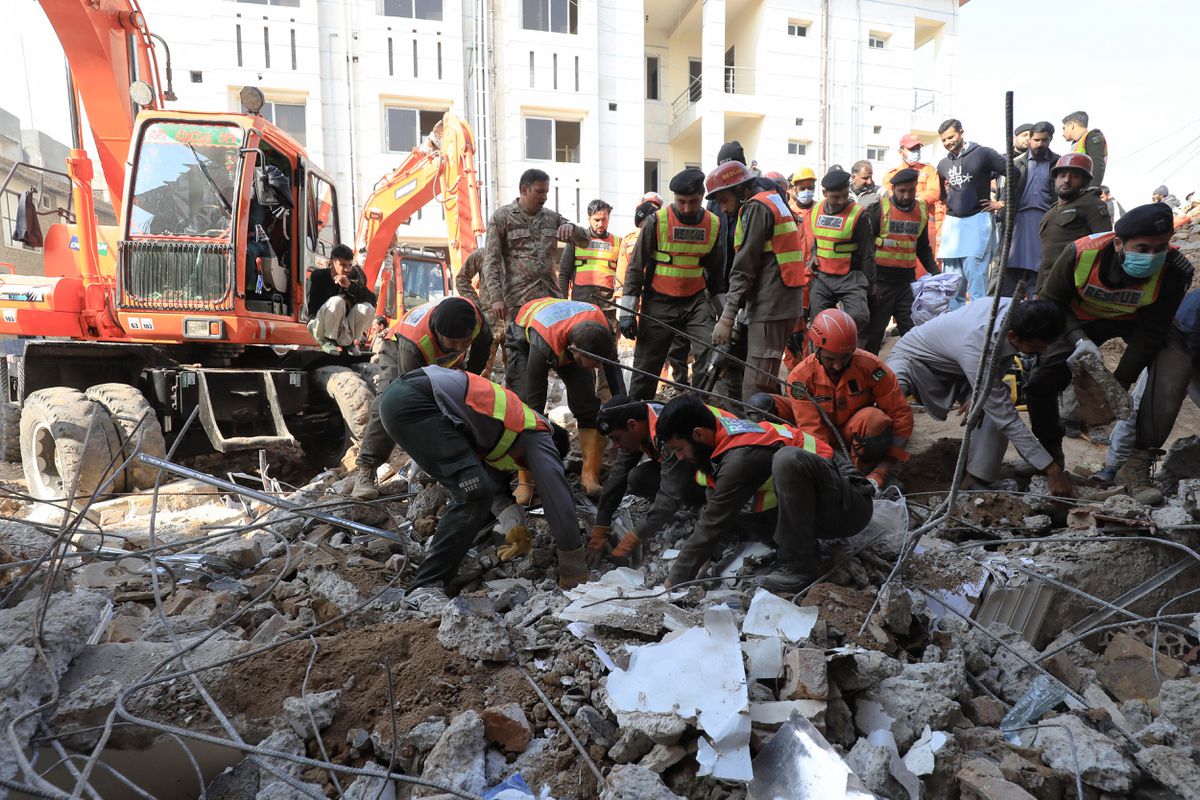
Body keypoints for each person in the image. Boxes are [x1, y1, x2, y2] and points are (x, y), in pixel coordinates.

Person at [378, 366, 586, 610]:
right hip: (417, 402)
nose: (525, 473)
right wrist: (573, 563)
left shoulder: (497, 431)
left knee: (476, 487)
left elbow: (490, 483)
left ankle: (446, 568)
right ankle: (424, 587)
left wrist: (513, 523)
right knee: (472, 494)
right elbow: (556, 494)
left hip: (406, 399)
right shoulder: (538, 434)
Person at [1029, 203, 1195, 504]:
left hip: (1136, 323)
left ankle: (1136, 462)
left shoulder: (1174, 269)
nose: (1151, 256)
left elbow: (1152, 331)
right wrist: (1078, 339)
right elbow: (1051, 302)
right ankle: (1049, 459)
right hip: (1077, 322)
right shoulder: (1080, 253)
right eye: (1142, 248)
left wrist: (1117, 384)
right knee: (1041, 382)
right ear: (1119, 243)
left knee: (1175, 366)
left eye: (1160, 247)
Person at [654, 394, 875, 591]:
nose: (680, 457)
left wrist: (671, 583)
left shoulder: (740, 457)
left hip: (851, 506)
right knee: (722, 494)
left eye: (679, 449)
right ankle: (791, 550)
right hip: (826, 502)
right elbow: (716, 505)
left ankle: (801, 567)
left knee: (787, 459)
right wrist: (706, 557)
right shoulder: (717, 432)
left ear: (699, 434)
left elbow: (713, 521)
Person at [887, 298, 1074, 495]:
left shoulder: (1021, 313)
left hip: (960, 367)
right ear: (1013, 336)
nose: (1043, 352)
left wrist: (978, 395)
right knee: (889, 397)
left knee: (989, 407)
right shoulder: (979, 341)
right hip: (915, 360)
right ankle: (879, 471)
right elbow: (1008, 419)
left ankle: (978, 480)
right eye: (1037, 347)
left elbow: (998, 366)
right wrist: (1052, 470)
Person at [349, 296, 493, 500]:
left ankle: (464, 460)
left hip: (443, 360)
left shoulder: (474, 320)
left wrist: (469, 381)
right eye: (453, 342)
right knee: (389, 402)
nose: (461, 347)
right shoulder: (414, 343)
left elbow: (482, 346)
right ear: (438, 333)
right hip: (398, 351)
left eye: (465, 342)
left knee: (462, 398)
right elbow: (412, 399)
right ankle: (366, 471)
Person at [618, 168, 726, 399]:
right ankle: (636, 416)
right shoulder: (657, 221)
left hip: (696, 302)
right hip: (659, 301)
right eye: (681, 202)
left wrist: (725, 318)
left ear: (702, 196)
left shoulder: (714, 224)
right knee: (646, 365)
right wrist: (627, 312)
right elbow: (636, 267)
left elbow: (716, 276)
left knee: (710, 353)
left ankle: (696, 409)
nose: (687, 208)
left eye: (693, 202)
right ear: (674, 198)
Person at [705, 161, 807, 398]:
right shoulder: (772, 200)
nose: (723, 208)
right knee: (740, 371)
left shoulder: (757, 208)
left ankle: (760, 431)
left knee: (757, 387)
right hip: (770, 302)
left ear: (740, 190)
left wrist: (728, 316)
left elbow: (745, 267)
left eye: (724, 200)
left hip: (771, 306)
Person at [482, 168, 589, 386]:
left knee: (557, 356)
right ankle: (523, 409)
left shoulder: (551, 217)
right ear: (524, 190)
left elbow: (585, 240)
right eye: (539, 191)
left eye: (546, 192)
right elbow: (490, 261)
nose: (544, 197)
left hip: (550, 303)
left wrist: (572, 227)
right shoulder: (502, 218)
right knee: (522, 361)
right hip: (519, 304)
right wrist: (496, 297)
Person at [783, 309, 913, 489]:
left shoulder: (870, 366)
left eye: (845, 358)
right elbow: (812, 430)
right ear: (816, 348)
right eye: (830, 359)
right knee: (762, 404)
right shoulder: (801, 378)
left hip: (857, 434)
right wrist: (832, 474)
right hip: (823, 438)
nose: (837, 365)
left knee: (875, 420)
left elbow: (900, 412)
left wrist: (884, 467)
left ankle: (864, 471)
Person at [510, 297, 626, 498]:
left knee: (587, 405)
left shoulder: (603, 333)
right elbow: (535, 404)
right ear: (573, 351)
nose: (598, 368)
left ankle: (590, 476)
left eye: (600, 362)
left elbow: (613, 372)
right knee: (525, 406)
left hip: (572, 333)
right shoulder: (545, 343)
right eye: (593, 364)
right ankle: (526, 481)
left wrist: (622, 409)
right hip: (526, 337)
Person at [585, 395, 715, 566]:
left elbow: (668, 495)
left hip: (720, 473)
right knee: (637, 477)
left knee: (667, 492)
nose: (615, 446)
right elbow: (618, 475)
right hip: (696, 468)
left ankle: (706, 505)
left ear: (632, 425)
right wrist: (600, 527)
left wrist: (635, 537)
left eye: (616, 438)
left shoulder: (667, 431)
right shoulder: (642, 423)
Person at [1098, 288, 1200, 483]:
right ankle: (1116, 467)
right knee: (1144, 405)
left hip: (1191, 348)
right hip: (1176, 345)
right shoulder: (1195, 306)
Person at [863, 168, 938, 352]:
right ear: (893, 189)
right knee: (874, 335)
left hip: (906, 284)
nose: (906, 196)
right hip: (881, 284)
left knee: (912, 333)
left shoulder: (920, 210)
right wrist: (869, 283)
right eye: (901, 191)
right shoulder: (878, 209)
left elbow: (922, 247)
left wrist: (936, 273)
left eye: (911, 190)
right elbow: (865, 249)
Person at [936, 119, 1006, 302]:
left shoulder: (983, 154)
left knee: (977, 283)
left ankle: (980, 328)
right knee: (951, 286)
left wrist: (1003, 202)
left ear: (961, 132)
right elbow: (942, 195)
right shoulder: (943, 164)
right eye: (943, 140)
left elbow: (1015, 172)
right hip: (953, 227)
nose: (947, 142)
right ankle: (954, 327)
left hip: (977, 223)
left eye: (950, 137)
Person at [1033, 154, 1112, 295]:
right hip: (1048, 289)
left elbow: (1106, 247)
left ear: (1084, 182)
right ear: (1054, 179)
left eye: (1075, 176)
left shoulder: (1092, 204)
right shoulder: (1050, 213)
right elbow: (1045, 260)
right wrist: (1037, 293)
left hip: (1075, 289)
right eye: (1062, 175)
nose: (1067, 180)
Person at [807, 168, 874, 331]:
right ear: (824, 193)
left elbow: (867, 254)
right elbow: (817, 239)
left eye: (845, 195)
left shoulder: (859, 215)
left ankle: (850, 351)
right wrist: (814, 254)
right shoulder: (816, 211)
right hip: (822, 277)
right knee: (818, 324)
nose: (842, 201)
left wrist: (870, 286)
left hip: (851, 277)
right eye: (836, 197)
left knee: (858, 318)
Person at [1002, 121, 1059, 297]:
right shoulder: (1016, 163)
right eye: (1036, 140)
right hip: (1018, 222)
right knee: (1010, 267)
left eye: (1044, 140)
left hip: (1045, 222)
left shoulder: (1058, 163)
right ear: (1030, 139)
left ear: (1050, 140)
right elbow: (1006, 194)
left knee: (1039, 268)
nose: (1039, 144)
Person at [306, 243, 377, 354]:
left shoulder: (354, 278)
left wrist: (350, 287)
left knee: (367, 308)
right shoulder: (319, 276)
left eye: (350, 265)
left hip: (343, 329)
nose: (347, 269)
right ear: (332, 263)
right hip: (319, 326)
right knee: (337, 301)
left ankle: (349, 343)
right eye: (343, 265)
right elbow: (313, 310)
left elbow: (372, 300)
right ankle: (328, 341)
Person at [883, 133, 945, 259]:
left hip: (926, 223)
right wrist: (918, 196)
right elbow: (893, 198)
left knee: (926, 259)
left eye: (918, 149)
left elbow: (934, 194)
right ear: (901, 152)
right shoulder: (891, 174)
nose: (915, 152)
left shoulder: (928, 170)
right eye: (912, 149)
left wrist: (911, 196)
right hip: (900, 223)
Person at [559, 199, 619, 319]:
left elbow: (623, 277)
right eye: (596, 220)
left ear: (609, 218)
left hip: (608, 305)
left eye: (604, 220)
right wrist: (562, 303)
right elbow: (564, 274)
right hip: (581, 302)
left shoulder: (618, 242)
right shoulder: (576, 240)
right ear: (589, 218)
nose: (600, 224)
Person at [1061, 111, 1107, 189]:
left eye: (1064, 128)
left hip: (1086, 190)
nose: (1062, 133)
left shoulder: (1092, 136)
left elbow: (1097, 163)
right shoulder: (1077, 143)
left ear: (1072, 126)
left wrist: (1092, 188)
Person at [849, 160, 881, 232]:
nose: (869, 181)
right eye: (865, 178)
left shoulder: (880, 192)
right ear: (853, 177)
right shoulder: (843, 193)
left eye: (871, 177)